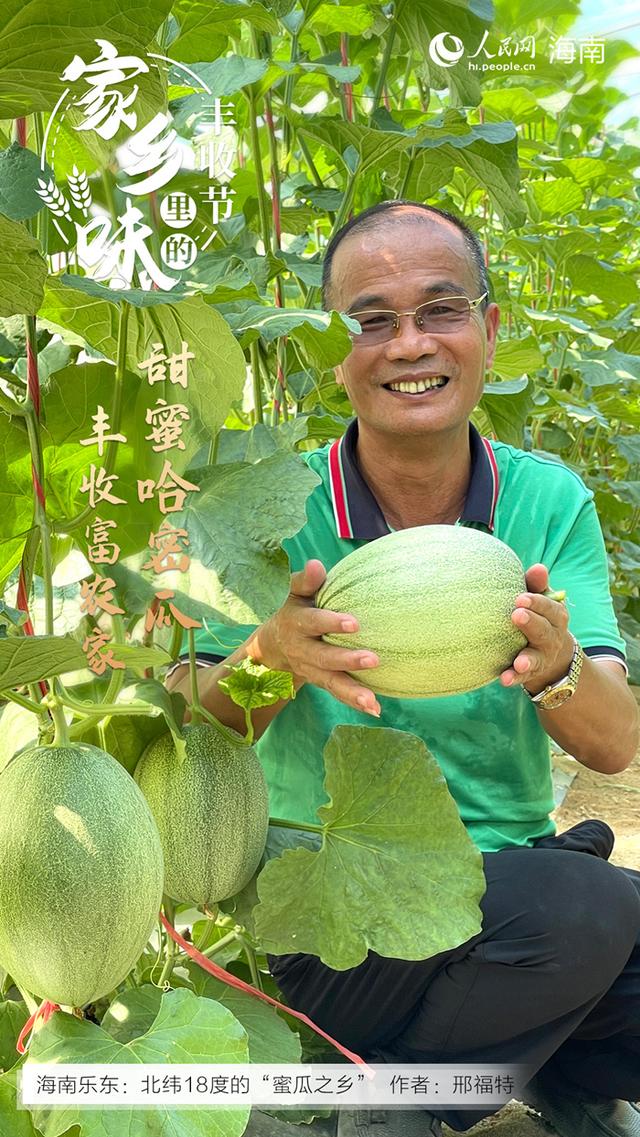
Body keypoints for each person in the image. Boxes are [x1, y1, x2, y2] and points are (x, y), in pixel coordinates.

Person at [166, 201, 640, 1137]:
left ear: (489, 330)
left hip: (500, 889)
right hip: (324, 904)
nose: (408, 344)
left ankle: (542, 1062)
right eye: (372, 319)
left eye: (441, 310)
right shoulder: (275, 503)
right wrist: (270, 658)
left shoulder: (548, 500)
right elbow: (189, 725)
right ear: (334, 352)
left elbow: (616, 742)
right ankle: (389, 1103)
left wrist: (554, 670)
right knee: (580, 910)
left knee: (575, 912)